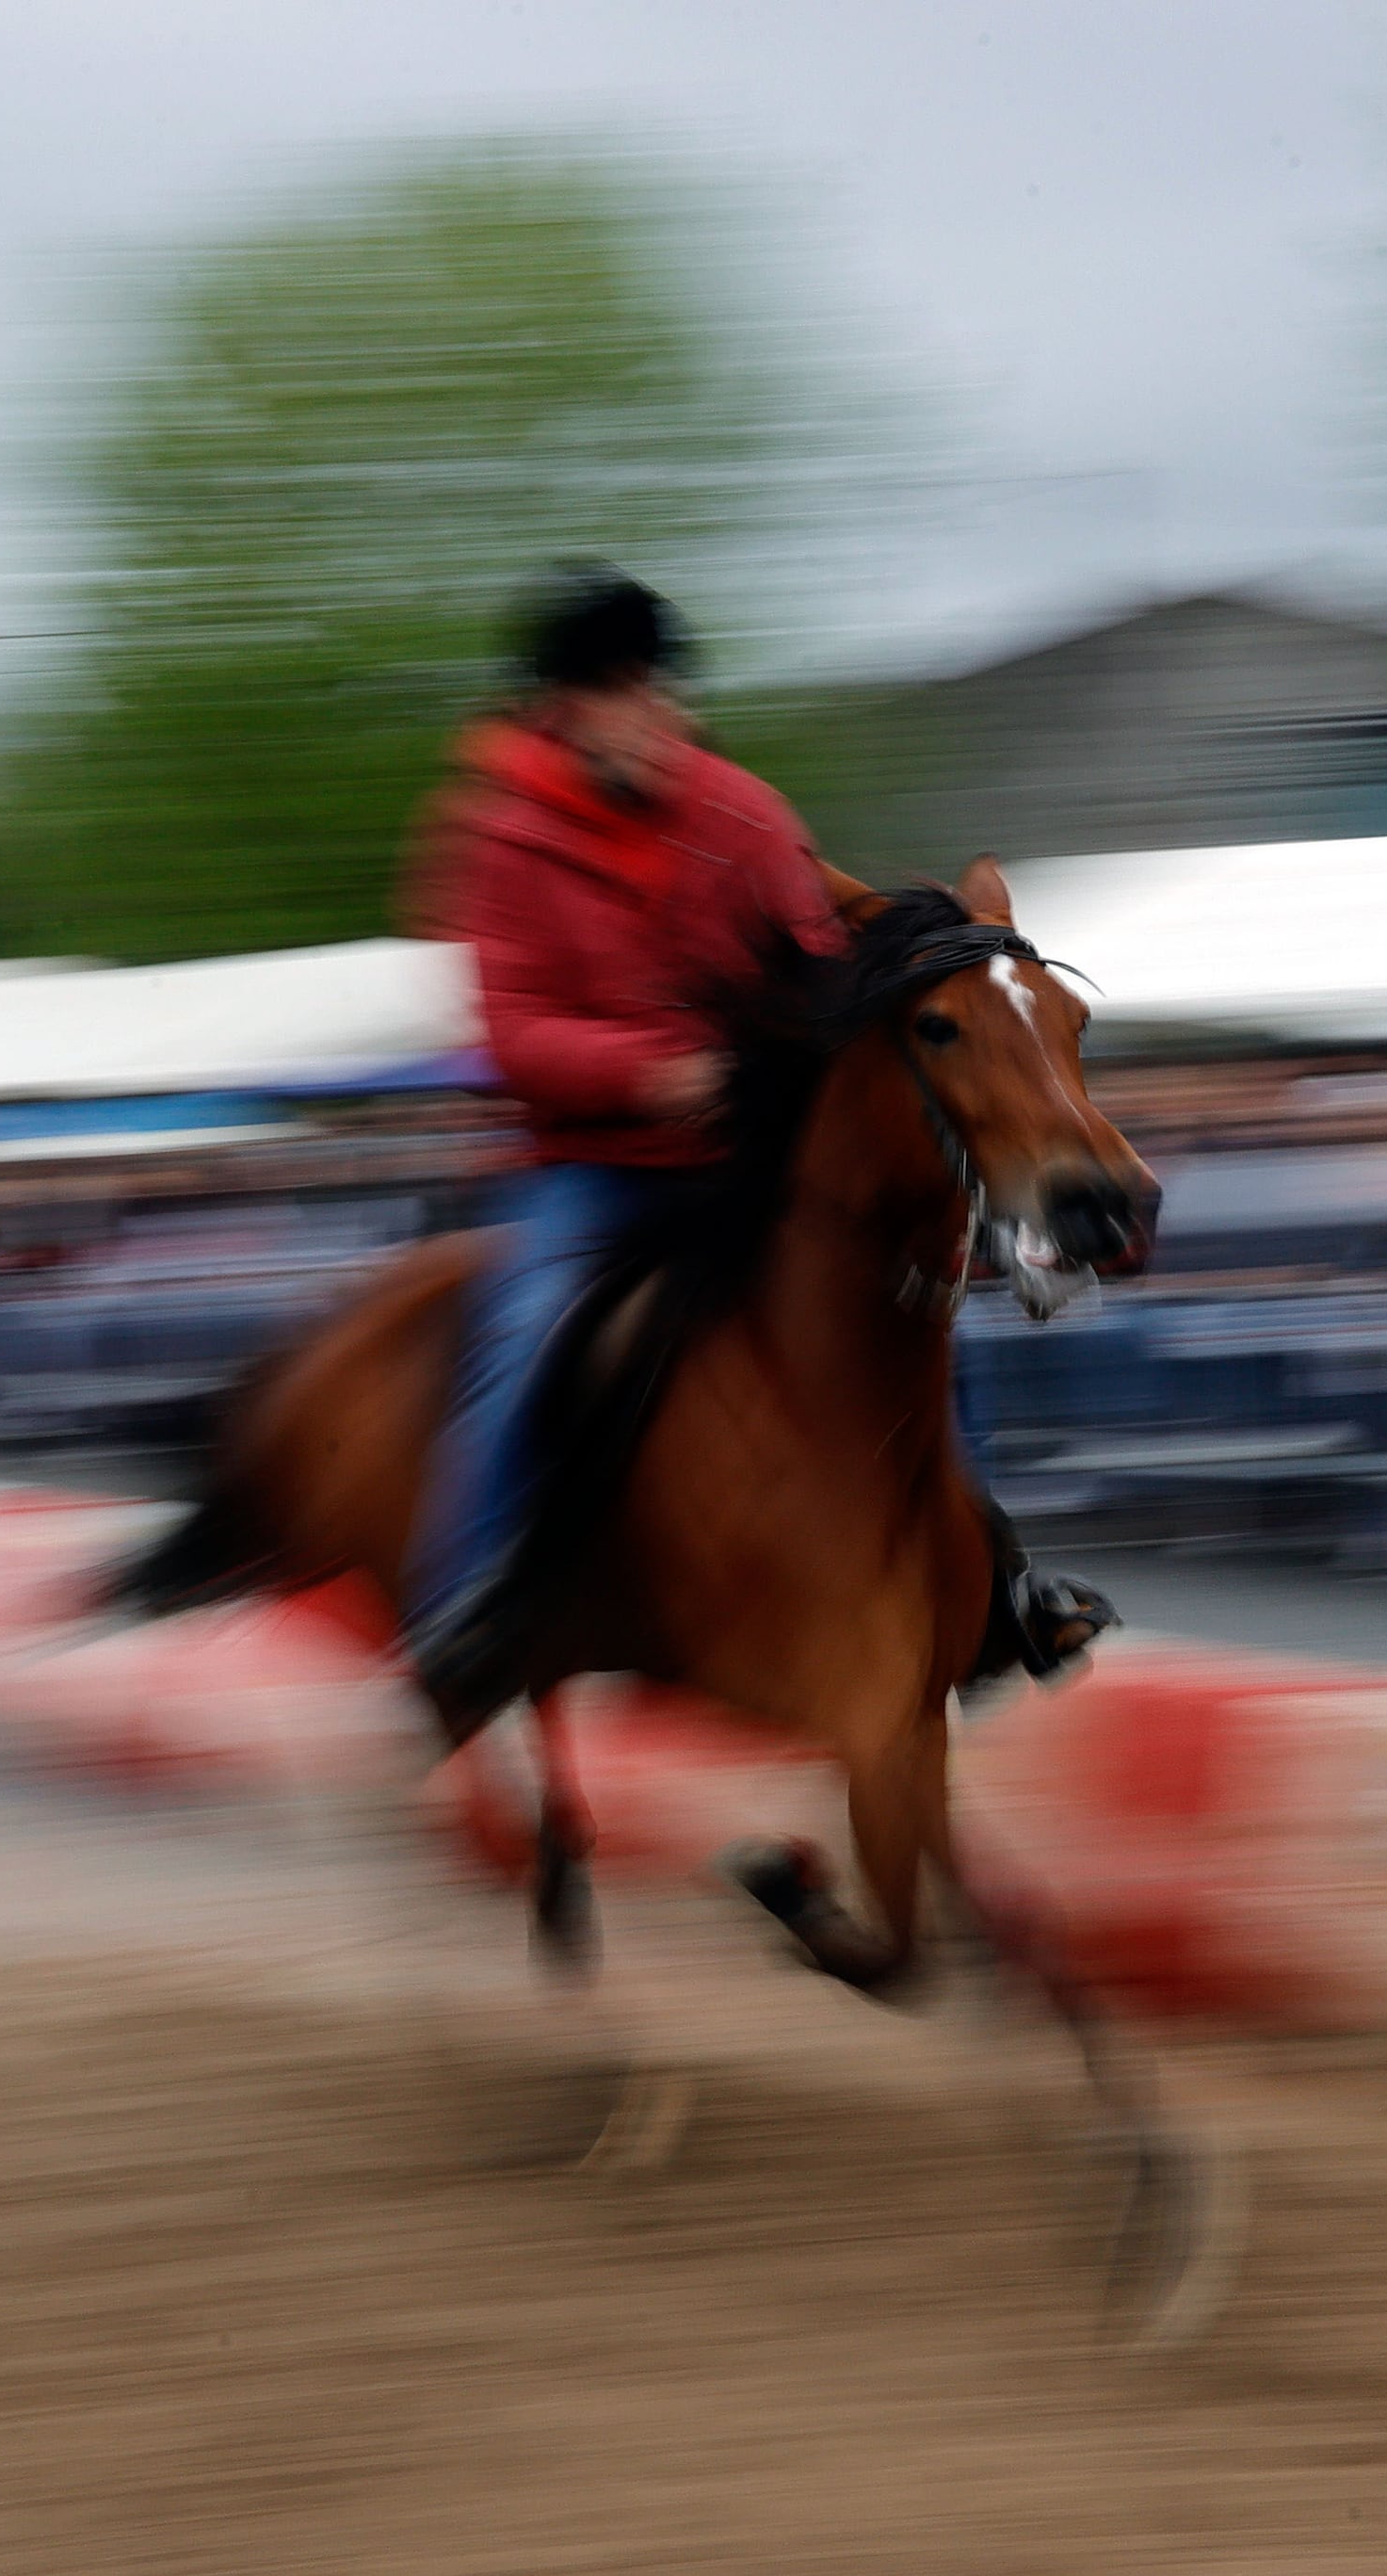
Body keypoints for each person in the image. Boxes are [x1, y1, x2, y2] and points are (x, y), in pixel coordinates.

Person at [398, 564, 1115, 1725]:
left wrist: (927, 961)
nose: (644, 712)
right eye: (611, 692)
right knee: (523, 1327)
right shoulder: (496, 841)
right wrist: (647, 1071)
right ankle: (470, 1598)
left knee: (922, 1310)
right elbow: (508, 1032)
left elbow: (822, 961)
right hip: (594, 1165)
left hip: (749, 1152)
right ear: (556, 710)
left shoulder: (739, 810)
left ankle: (993, 1591)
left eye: (652, 686)